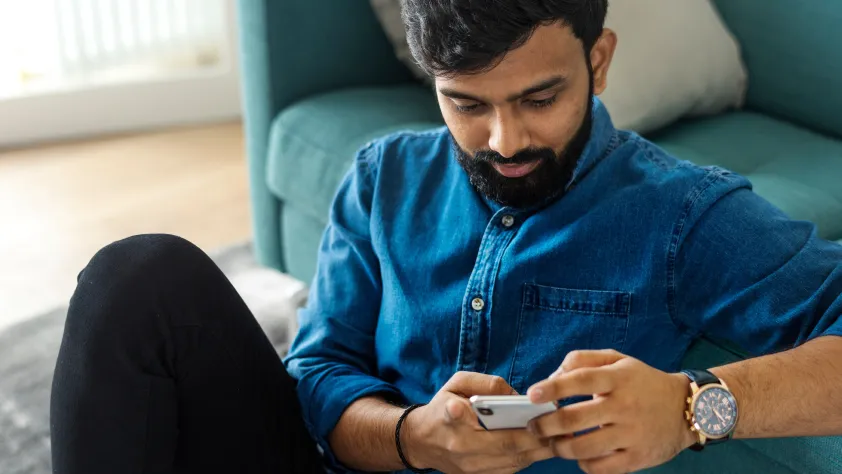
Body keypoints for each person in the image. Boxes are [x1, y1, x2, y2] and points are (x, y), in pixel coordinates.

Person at [51, 1, 842, 473]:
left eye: (540, 98)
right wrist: (411, 437)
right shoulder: (382, 178)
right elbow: (320, 370)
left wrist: (689, 404)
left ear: (599, 62)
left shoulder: (683, 212)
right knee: (138, 275)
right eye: (467, 104)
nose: (503, 140)